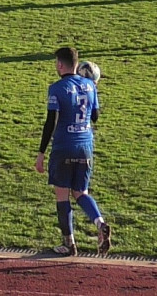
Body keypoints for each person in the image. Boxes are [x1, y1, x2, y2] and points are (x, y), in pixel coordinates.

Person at [34, 46, 112, 257]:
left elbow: (51, 122)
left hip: (63, 147)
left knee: (62, 195)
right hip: (85, 147)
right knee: (80, 192)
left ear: (60, 64)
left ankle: (69, 243)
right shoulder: (90, 86)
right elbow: (95, 116)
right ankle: (100, 223)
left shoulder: (57, 88)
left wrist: (41, 153)